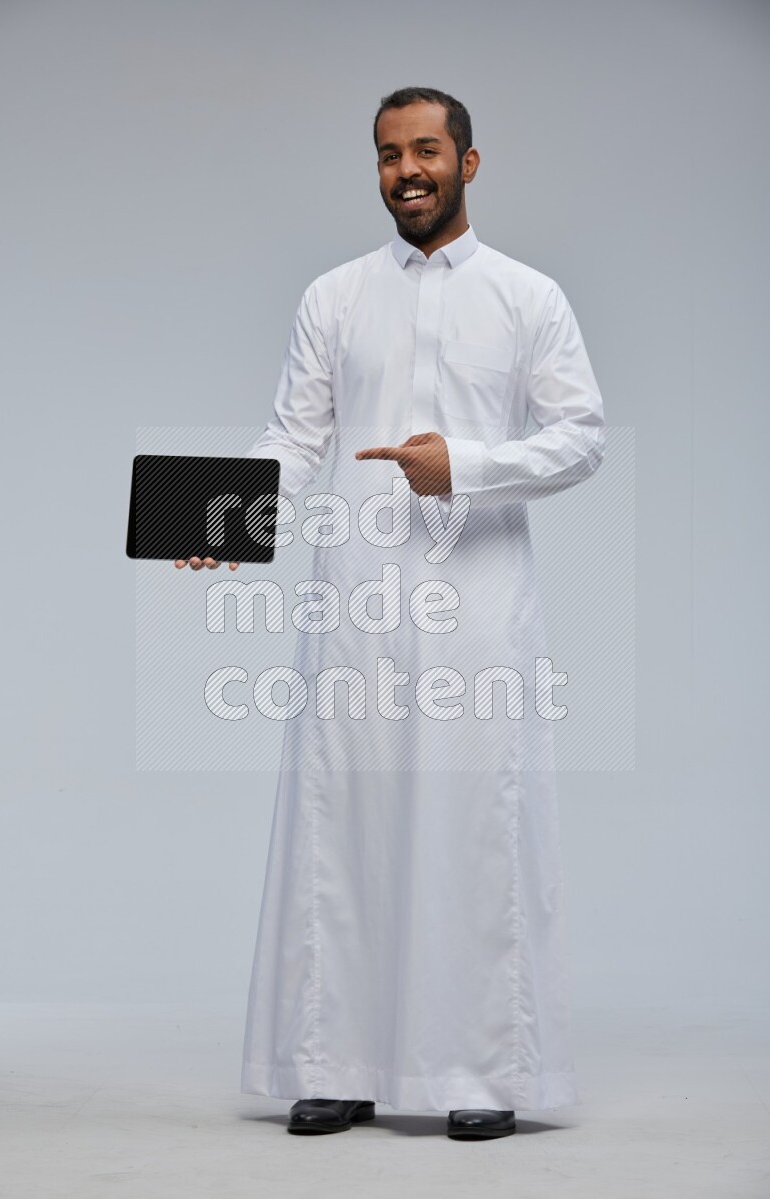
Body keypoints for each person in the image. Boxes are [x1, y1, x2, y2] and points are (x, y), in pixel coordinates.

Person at [176, 86, 606, 1141]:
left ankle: (478, 1070)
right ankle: (338, 1060)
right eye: (385, 155)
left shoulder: (525, 297)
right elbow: (292, 433)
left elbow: (579, 436)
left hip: (477, 607)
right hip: (356, 601)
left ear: (467, 161)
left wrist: (463, 463)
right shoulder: (334, 295)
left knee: (470, 831)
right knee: (347, 823)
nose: (404, 170)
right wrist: (228, 520)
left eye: (423, 151)